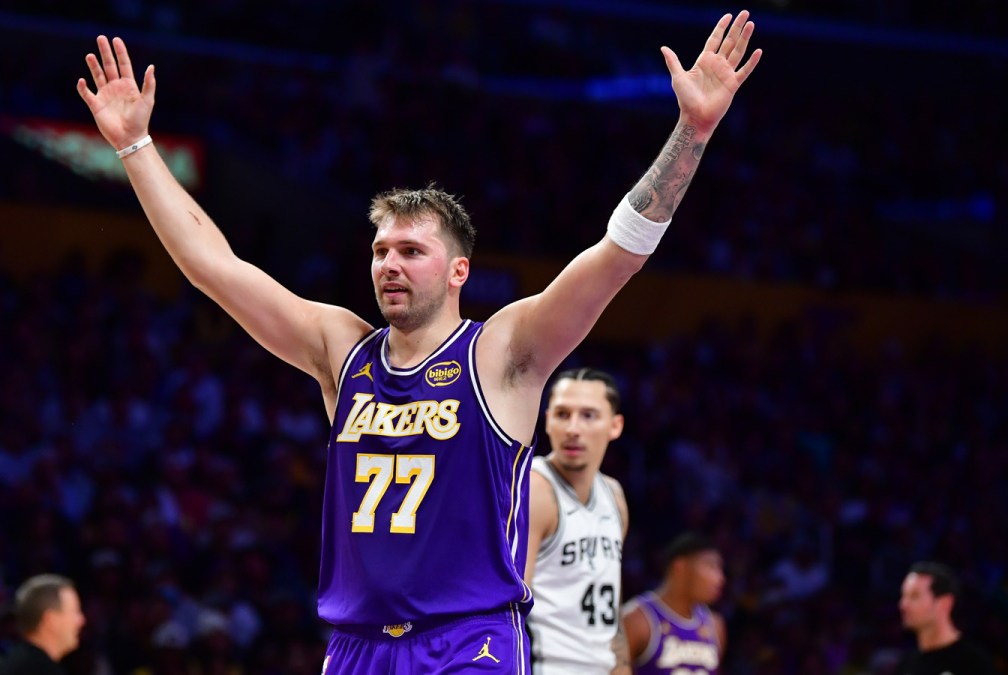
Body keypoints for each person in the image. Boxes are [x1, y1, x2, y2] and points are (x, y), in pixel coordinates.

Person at [76, 12, 760, 673]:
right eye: (379, 250)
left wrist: (692, 132)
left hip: (470, 643)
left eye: (410, 249)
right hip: (356, 646)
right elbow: (212, 266)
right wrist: (136, 148)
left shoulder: (502, 351)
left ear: (459, 269)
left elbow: (618, 253)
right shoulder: (341, 348)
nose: (389, 263)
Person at [525, 368, 631, 674]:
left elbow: (613, 608)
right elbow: (510, 609)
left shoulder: (614, 495)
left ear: (615, 425)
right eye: (562, 414)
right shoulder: (534, 490)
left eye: (588, 415)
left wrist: (622, 667)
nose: (573, 428)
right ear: (547, 421)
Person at [621, 533, 726, 675]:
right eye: (710, 566)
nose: (720, 579)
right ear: (680, 567)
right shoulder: (636, 619)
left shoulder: (715, 625)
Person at [893, 561, 997, 675]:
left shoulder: (974, 663)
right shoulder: (906, 665)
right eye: (903, 596)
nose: (903, 605)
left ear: (944, 603)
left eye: (914, 596)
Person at [0, 574, 85, 675]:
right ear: (50, 620)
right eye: (75, 612)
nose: (81, 620)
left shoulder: (11, 663)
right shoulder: (41, 670)